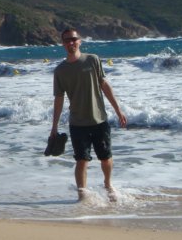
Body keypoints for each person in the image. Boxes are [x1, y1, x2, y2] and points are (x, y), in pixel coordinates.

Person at [50, 28, 127, 201]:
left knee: (105, 158)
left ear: (80, 41)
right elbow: (58, 99)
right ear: (63, 44)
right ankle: (82, 195)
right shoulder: (60, 71)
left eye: (73, 39)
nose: (71, 42)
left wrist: (118, 110)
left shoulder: (92, 60)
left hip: (99, 119)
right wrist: (54, 127)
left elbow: (104, 85)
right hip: (77, 123)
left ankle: (108, 185)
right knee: (81, 160)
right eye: (67, 40)